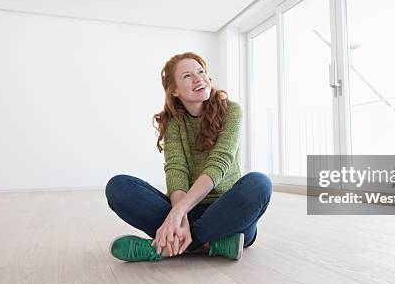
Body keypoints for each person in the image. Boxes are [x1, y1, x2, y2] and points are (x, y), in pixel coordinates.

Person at [105, 52, 272, 262]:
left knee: (259, 184)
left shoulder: (232, 110)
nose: (198, 78)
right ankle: (207, 243)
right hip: (188, 210)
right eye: (187, 76)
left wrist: (176, 215)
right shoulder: (174, 123)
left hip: (225, 213)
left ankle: (168, 247)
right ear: (174, 90)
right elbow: (176, 170)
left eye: (201, 72)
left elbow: (219, 163)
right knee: (118, 187)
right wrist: (180, 215)